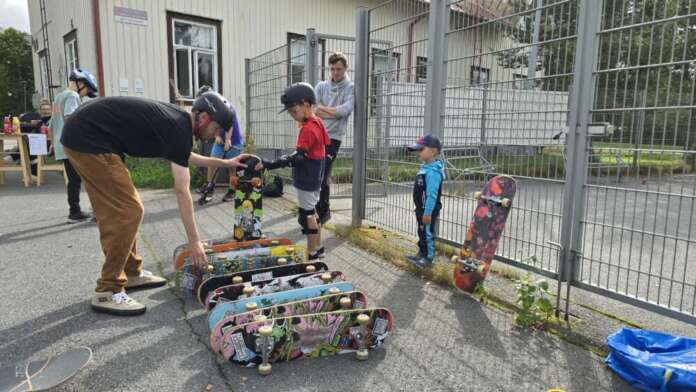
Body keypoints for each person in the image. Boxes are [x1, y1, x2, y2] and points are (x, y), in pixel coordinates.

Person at [61, 91, 248, 316]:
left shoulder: (179, 123)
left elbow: (184, 156)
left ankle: (131, 273)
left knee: (124, 209)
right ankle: (108, 289)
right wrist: (194, 242)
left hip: (88, 136)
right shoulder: (178, 128)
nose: (214, 135)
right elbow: (182, 189)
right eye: (217, 129)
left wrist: (226, 163)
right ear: (204, 118)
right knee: (128, 211)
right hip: (90, 141)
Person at [256, 83, 329, 260]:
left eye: (293, 111)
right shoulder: (317, 122)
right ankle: (317, 248)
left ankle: (312, 252)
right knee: (313, 211)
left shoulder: (308, 129)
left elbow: (298, 158)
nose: (292, 116)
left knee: (308, 215)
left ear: (306, 104)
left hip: (307, 180)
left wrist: (269, 164)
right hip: (314, 178)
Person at [49, 68, 99, 222]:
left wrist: (52, 143)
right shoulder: (72, 95)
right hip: (72, 144)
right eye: (87, 91)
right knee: (91, 176)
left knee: (74, 179)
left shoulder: (58, 98)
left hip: (61, 145)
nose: (85, 95)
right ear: (80, 83)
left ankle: (75, 211)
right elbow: (71, 118)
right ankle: (97, 211)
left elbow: (51, 125)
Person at [314, 52, 354, 224]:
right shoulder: (322, 86)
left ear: (345, 68)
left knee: (323, 174)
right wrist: (333, 112)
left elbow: (345, 111)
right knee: (314, 173)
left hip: (334, 138)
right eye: (332, 69)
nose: (335, 72)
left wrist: (324, 110)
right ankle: (312, 211)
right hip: (317, 134)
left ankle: (323, 212)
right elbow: (313, 109)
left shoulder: (350, 87)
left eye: (339, 69)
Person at [194, 86, 245, 204]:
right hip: (220, 141)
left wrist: (227, 140)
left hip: (234, 141)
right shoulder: (210, 109)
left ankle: (232, 190)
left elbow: (229, 124)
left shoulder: (226, 107)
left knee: (232, 168)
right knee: (212, 163)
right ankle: (210, 188)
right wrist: (217, 136)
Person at [405, 135, 445, 268]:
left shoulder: (433, 172)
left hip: (428, 210)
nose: (418, 152)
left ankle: (428, 258)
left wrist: (427, 213)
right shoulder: (425, 167)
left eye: (421, 149)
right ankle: (421, 254)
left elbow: (431, 195)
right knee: (421, 231)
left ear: (433, 151)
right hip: (421, 208)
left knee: (427, 233)